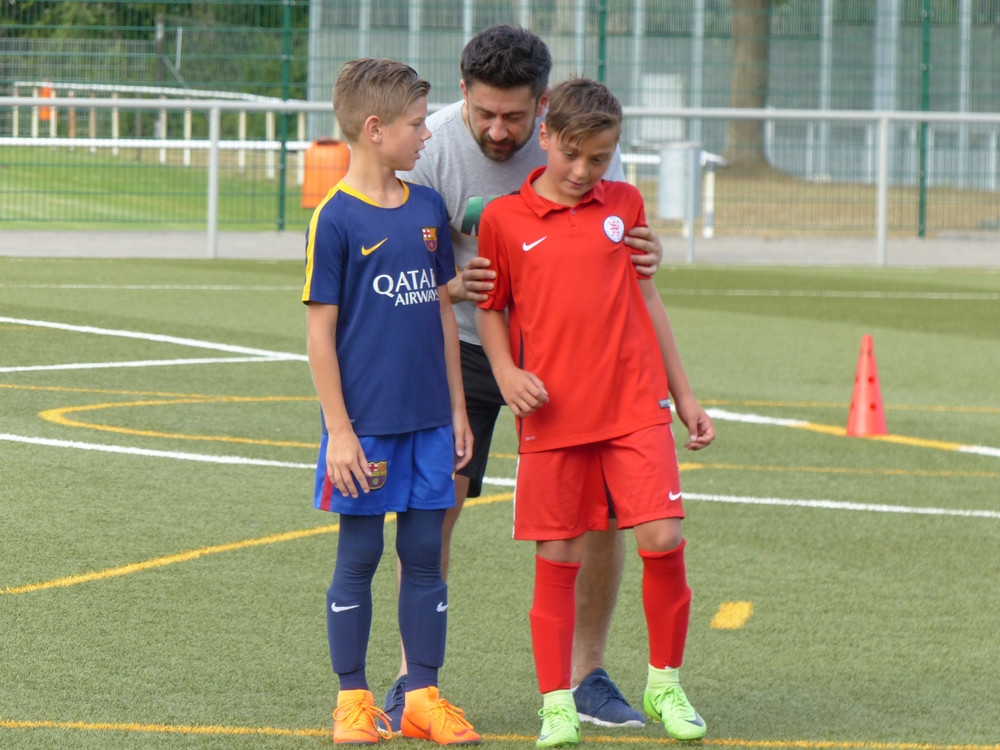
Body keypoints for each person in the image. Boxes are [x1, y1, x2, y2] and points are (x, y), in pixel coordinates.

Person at [386, 24, 666, 731]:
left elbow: (615, 232)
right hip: (461, 348)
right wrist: (450, 287)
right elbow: (397, 271)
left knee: (600, 516)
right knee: (435, 507)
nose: (498, 129)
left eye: (513, 116)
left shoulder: (574, 141)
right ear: (462, 93)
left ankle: (587, 676)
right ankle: (415, 680)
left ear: (542, 108)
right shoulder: (429, 151)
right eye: (484, 112)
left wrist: (643, 251)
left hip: (572, 360)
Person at [475, 77, 715, 747]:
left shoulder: (626, 204)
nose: (584, 171)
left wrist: (685, 396)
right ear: (545, 136)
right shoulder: (504, 219)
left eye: (600, 159)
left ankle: (664, 683)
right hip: (553, 416)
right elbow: (491, 309)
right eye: (572, 154)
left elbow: (647, 299)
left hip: (635, 404)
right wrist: (506, 372)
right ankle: (557, 703)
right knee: (559, 555)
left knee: (662, 538)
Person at [302, 57, 480, 746]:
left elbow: (441, 315)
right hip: (365, 430)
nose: (427, 135)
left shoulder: (428, 209)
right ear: (375, 129)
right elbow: (319, 336)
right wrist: (340, 432)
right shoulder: (335, 218)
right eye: (416, 124)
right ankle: (352, 701)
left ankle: (421, 698)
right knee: (359, 556)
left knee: (425, 553)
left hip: (431, 423)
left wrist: (458, 409)